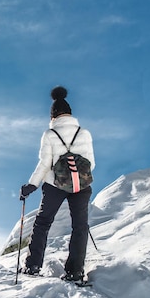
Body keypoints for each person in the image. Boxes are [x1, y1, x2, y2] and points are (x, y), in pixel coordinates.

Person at [20, 85, 95, 282]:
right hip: (82, 186)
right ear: (70, 114)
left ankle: (33, 265)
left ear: (53, 117)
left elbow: (45, 163)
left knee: (43, 222)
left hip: (55, 186)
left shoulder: (50, 135)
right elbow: (91, 163)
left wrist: (32, 185)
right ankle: (75, 271)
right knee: (80, 227)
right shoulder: (84, 133)